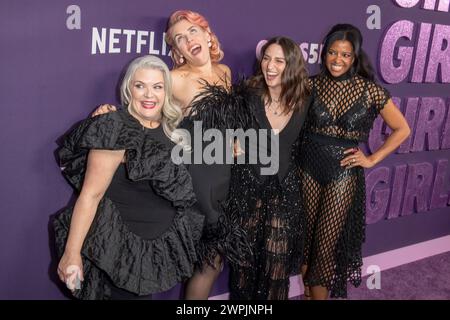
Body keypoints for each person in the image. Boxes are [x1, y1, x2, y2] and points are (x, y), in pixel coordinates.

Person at [92, 10, 250, 300]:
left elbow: (227, 121)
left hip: (225, 177)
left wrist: (237, 141)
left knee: (212, 264)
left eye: (192, 31)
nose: (188, 40)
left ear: (207, 33)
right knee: (207, 263)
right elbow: (144, 105)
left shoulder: (224, 71)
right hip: (198, 178)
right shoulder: (176, 79)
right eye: (179, 39)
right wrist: (111, 113)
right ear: (175, 50)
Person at [54, 55, 204, 300]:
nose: (149, 95)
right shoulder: (115, 127)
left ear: (167, 91)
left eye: (157, 87)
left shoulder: (174, 130)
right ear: (128, 89)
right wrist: (72, 253)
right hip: (116, 251)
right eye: (140, 86)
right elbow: (91, 195)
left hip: (151, 254)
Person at [299, 24, 411, 300]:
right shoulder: (310, 85)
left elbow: (403, 129)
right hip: (306, 168)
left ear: (355, 58)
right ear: (324, 54)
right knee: (306, 247)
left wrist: (372, 159)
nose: (338, 60)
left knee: (324, 250)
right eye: (333, 53)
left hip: (343, 174)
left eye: (346, 55)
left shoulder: (370, 91)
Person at [224, 36, 311, 300]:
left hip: (283, 191)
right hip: (247, 189)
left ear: (292, 65)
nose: (270, 66)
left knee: (277, 267)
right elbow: (221, 128)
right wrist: (233, 142)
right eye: (266, 58)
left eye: (279, 60)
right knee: (244, 265)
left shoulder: (306, 100)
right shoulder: (247, 94)